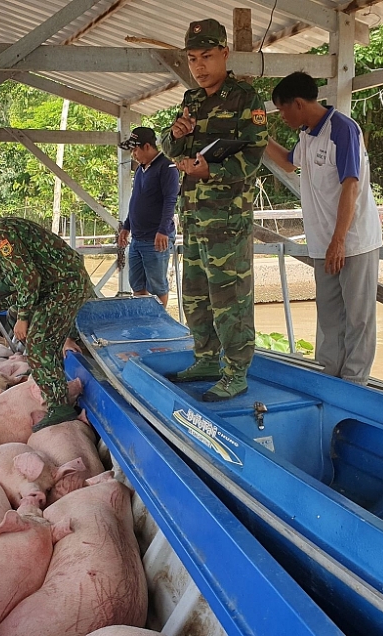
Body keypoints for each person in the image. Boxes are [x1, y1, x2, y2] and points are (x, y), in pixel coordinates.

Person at [159, 18, 268, 402]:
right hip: (193, 216)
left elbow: (254, 157)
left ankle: (236, 371)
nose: (199, 66)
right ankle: (205, 357)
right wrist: (174, 136)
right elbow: (170, 151)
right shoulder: (192, 100)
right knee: (196, 295)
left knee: (231, 298)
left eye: (207, 56)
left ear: (224, 53)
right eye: (192, 58)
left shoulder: (246, 99)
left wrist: (214, 170)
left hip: (227, 219)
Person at [265, 72, 382, 385]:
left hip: (353, 241)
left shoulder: (342, 130)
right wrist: (260, 137)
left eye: (283, 110)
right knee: (330, 315)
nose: (282, 117)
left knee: (358, 315)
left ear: (299, 104)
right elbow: (290, 163)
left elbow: (351, 185)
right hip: (322, 242)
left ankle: (356, 382)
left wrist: (339, 241)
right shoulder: (307, 134)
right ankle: (329, 376)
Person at [0, 202, 91, 430]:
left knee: (39, 341)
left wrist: (23, 316)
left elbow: (28, 278)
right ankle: (51, 389)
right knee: (41, 342)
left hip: (65, 285)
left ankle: (59, 406)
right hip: (52, 286)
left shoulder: (3, 235)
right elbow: (12, 280)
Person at [117, 126, 180, 307]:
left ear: (146, 146)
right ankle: (143, 321)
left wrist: (163, 230)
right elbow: (135, 201)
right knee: (137, 284)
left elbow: (170, 200)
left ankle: (158, 326)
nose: (134, 154)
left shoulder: (167, 166)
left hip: (155, 237)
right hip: (137, 237)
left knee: (157, 286)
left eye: (135, 149)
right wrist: (126, 227)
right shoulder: (140, 169)